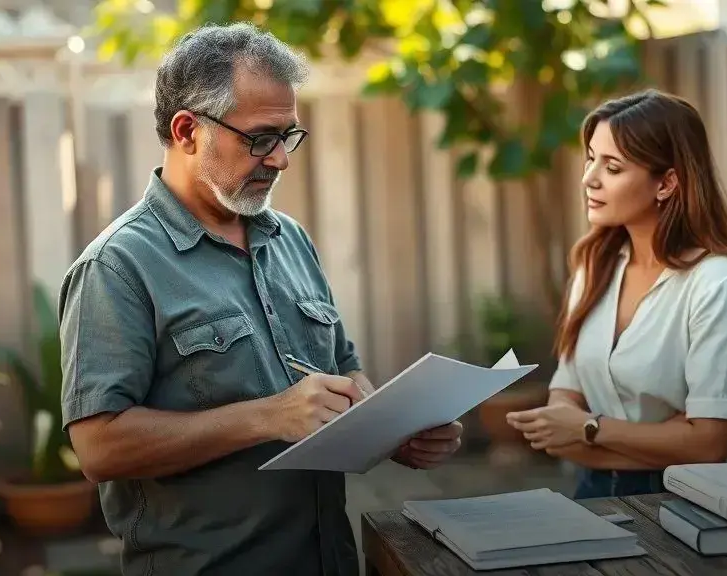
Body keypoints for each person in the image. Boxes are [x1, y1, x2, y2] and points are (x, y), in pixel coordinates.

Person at [57, 22, 463, 576]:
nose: (280, 160)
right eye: (260, 138)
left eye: (289, 136)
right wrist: (269, 417)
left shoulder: (289, 238)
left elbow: (345, 371)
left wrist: (394, 429)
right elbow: (98, 450)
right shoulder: (117, 267)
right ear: (186, 130)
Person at [505, 89, 727, 499]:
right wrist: (660, 436)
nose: (589, 178)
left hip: (688, 503)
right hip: (591, 493)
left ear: (667, 182)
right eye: (591, 158)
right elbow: (565, 396)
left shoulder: (719, 285)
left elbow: (710, 445)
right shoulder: (594, 267)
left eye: (613, 166)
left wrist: (589, 430)